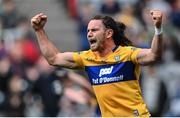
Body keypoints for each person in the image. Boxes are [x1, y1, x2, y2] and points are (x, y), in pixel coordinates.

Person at [31, 10, 163, 117]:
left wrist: (158, 29)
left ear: (108, 33)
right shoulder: (87, 58)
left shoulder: (127, 54)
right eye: (88, 31)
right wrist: (39, 31)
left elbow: (153, 55)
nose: (89, 34)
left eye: (94, 30)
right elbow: (53, 58)